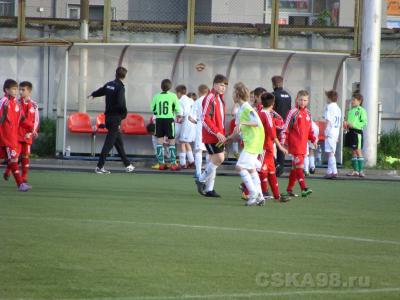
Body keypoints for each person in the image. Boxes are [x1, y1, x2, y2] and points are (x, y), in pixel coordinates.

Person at [88, 67, 135, 174]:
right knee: (108, 144)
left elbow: (102, 90)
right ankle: (99, 167)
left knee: (118, 143)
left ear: (116, 74)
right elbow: (121, 103)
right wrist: (124, 114)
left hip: (108, 118)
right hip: (115, 119)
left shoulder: (109, 84)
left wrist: (93, 94)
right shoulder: (120, 87)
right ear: (124, 76)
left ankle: (128, 165)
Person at [227, 82, 265, 206]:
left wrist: (243, 124)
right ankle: (260, 196)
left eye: (233, 92)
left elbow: (255, 123)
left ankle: (253, 193)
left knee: (239, 167)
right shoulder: (241, 109)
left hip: (253, 142)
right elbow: (237, 129)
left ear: (237, 95)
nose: (232, 95)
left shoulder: (247, 108)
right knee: (252, 169)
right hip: (253, 141)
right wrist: (228, 138)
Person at [195, 74, 228, 198]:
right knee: (219, 158)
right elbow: (204, 118)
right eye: (221, 85)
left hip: (219, 135)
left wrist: (222, 133)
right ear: (214, 84)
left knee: (213, 161)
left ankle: (209, 189)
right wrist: (217, 132)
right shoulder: (210, 97)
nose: (223, 87)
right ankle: (201, 179)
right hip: (211, 135)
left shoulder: (220, 98)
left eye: (225, 85)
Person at [281, 90, 316, 198]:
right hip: (295, 144)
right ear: (297, 99)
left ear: (308, 101)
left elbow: (310, 130)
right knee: (300, 166)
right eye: (301, 99)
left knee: (294, 168)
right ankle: (304, 188)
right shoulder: (293, 112)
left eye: (305, 100)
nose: (302, 102)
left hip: (303, 145)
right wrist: (283, 142)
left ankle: (289, 189)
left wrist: (313, 139)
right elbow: (285, 127)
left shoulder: (308, 113)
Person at [3, 81, 39, 183]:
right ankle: (8, 171)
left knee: (25, 155)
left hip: (27, 134)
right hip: (16, 134)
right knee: (15, 155)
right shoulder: (16, 102)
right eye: (20, 89)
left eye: (23, 90)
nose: (20, 92)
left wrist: (33, 131)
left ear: (29, 91)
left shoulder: (34, 105)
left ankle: (24, 177)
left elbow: (36, 120)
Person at [257, 93, 290, 202]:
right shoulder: (267, 115)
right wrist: (281, 147)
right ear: (273, 104)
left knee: (271, 172)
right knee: (261, 171)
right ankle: (253, 192)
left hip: (267, 147)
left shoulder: (260, 113)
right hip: (264, 148)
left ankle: (277, 196)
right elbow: (272, 134)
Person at [0, 79, 31, 191]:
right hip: (6, 136)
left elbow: (22, 118)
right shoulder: (4, 101)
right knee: (13, 159)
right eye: (13, 89)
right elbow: (1, 119)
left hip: (13, 136)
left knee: (13, 158)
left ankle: (20, 184)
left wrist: (30, 127)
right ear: (6, 90)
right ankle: (20, 184)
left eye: (16, 89)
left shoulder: (16, 103)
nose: (16, 91)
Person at [150, 79, 181, 171]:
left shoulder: (156, 96)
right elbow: (177, 109)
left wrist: (158, 113)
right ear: (170, 87)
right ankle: (173, 164)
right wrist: (178, 115)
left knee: (160, 140)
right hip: (169, 120)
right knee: (171, 140)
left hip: (159, 120)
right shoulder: (173, 96)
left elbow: (153, 108)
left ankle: (161, 164)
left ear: (161, 87)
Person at [271, 75, 292, 177]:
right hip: (285, 124)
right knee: (281, 144)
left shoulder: (273, 95)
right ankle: (281, 167)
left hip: (275, 123)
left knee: (271, 144)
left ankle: (274, 165)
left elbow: (271, 110)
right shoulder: (288, 95)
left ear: (273, 84)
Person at [344, 93, 368, 177]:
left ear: (359, 101)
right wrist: (346, 124)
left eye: (354, 100)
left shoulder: (361, 110)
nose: (352, 101)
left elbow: (364, 122)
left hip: (357, 132)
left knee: (358, 150)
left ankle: (361, 171)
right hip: (350, 132)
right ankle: (355, 171)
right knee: (353, 151)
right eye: (352, 100)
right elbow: (348, 121)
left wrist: (354, 125)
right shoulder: (350, 111)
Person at [189, 84, 209, 179]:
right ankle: (208, 172)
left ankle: (198, 172)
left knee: (198, 150)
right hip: (210, 127)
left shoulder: (197, 102)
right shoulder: (212, 101)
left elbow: (190, 117)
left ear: (199, 92)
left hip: (200, 126)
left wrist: (197, 122)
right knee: (210, 150)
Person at [176, 85, 195, 169]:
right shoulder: (191, 100)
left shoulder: (180, 101)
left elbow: (180, 115)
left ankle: (182, 163)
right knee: (187, 142)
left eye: (177, 93)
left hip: (186, 123)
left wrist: (176, 120)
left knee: (182, 142)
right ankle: (191, 161)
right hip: (193, 123)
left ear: (179, 92)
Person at [323, 90, 342, 179]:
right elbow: (340, 123)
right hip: (336, 131)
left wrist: (326, 131)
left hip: (330, 131)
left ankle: (334, 171)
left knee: (330, 153)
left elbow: (328, 120)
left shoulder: (329, 107)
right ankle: (329, 171)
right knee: (332, 152)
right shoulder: (338, 108)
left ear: (329, 98)